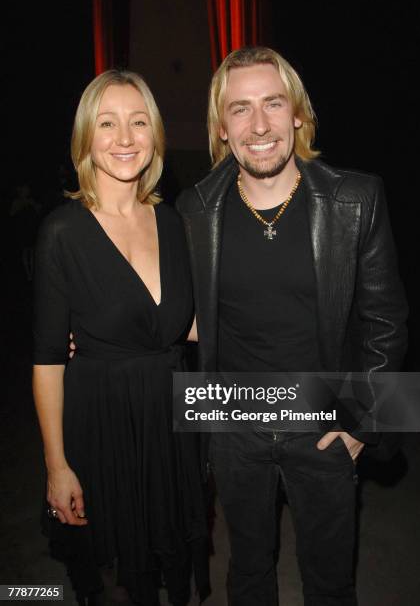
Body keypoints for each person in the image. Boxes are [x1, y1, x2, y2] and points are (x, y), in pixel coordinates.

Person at [177, 47, 408, 606]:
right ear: (221, 128)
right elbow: (172, 313)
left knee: (331, 582)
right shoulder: (192, 210)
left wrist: (362, 421)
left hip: (324, 419)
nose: (259, 125)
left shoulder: (356, 198)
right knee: (248, 575)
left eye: (273, 104)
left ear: (298, 114)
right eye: (240, 109)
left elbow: (387, 320)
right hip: (232, 419)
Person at [33, 70, 209, 606]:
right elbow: (46, 362)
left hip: (172, 426)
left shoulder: (175, 222)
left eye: (138, 122)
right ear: (86, 137)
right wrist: (57, 466)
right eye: (107, 123)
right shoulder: (62, 232)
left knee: (171, 566)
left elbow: (190, 326)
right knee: (116, 583)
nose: (125, 138)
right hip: (102, 429)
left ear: (155, 135)